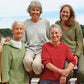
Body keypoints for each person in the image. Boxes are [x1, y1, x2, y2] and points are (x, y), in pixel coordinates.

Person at [22, 0, 50, 79]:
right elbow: (23, 40)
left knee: (36, 65)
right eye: (33, 10)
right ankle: (31, 76)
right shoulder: (25, 23)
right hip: (30, 48)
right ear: (29, 11)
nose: (35, 12)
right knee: (27, 61)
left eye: (37, 10)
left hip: (42, 49)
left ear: (40, 11)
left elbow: (50, 37)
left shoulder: (45, 22)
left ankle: (40, 76)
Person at [55, 4, 83, 81]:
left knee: (82, 72)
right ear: (60, 13)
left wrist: (77, 56)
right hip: (65, 54)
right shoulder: (57, 24)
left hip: (78, 52)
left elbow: (80, 42)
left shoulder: (75, 24)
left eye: (67, 12)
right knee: (67, 73)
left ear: (70, 14)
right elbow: (55, 40)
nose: (65, 14)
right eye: (63, 12)